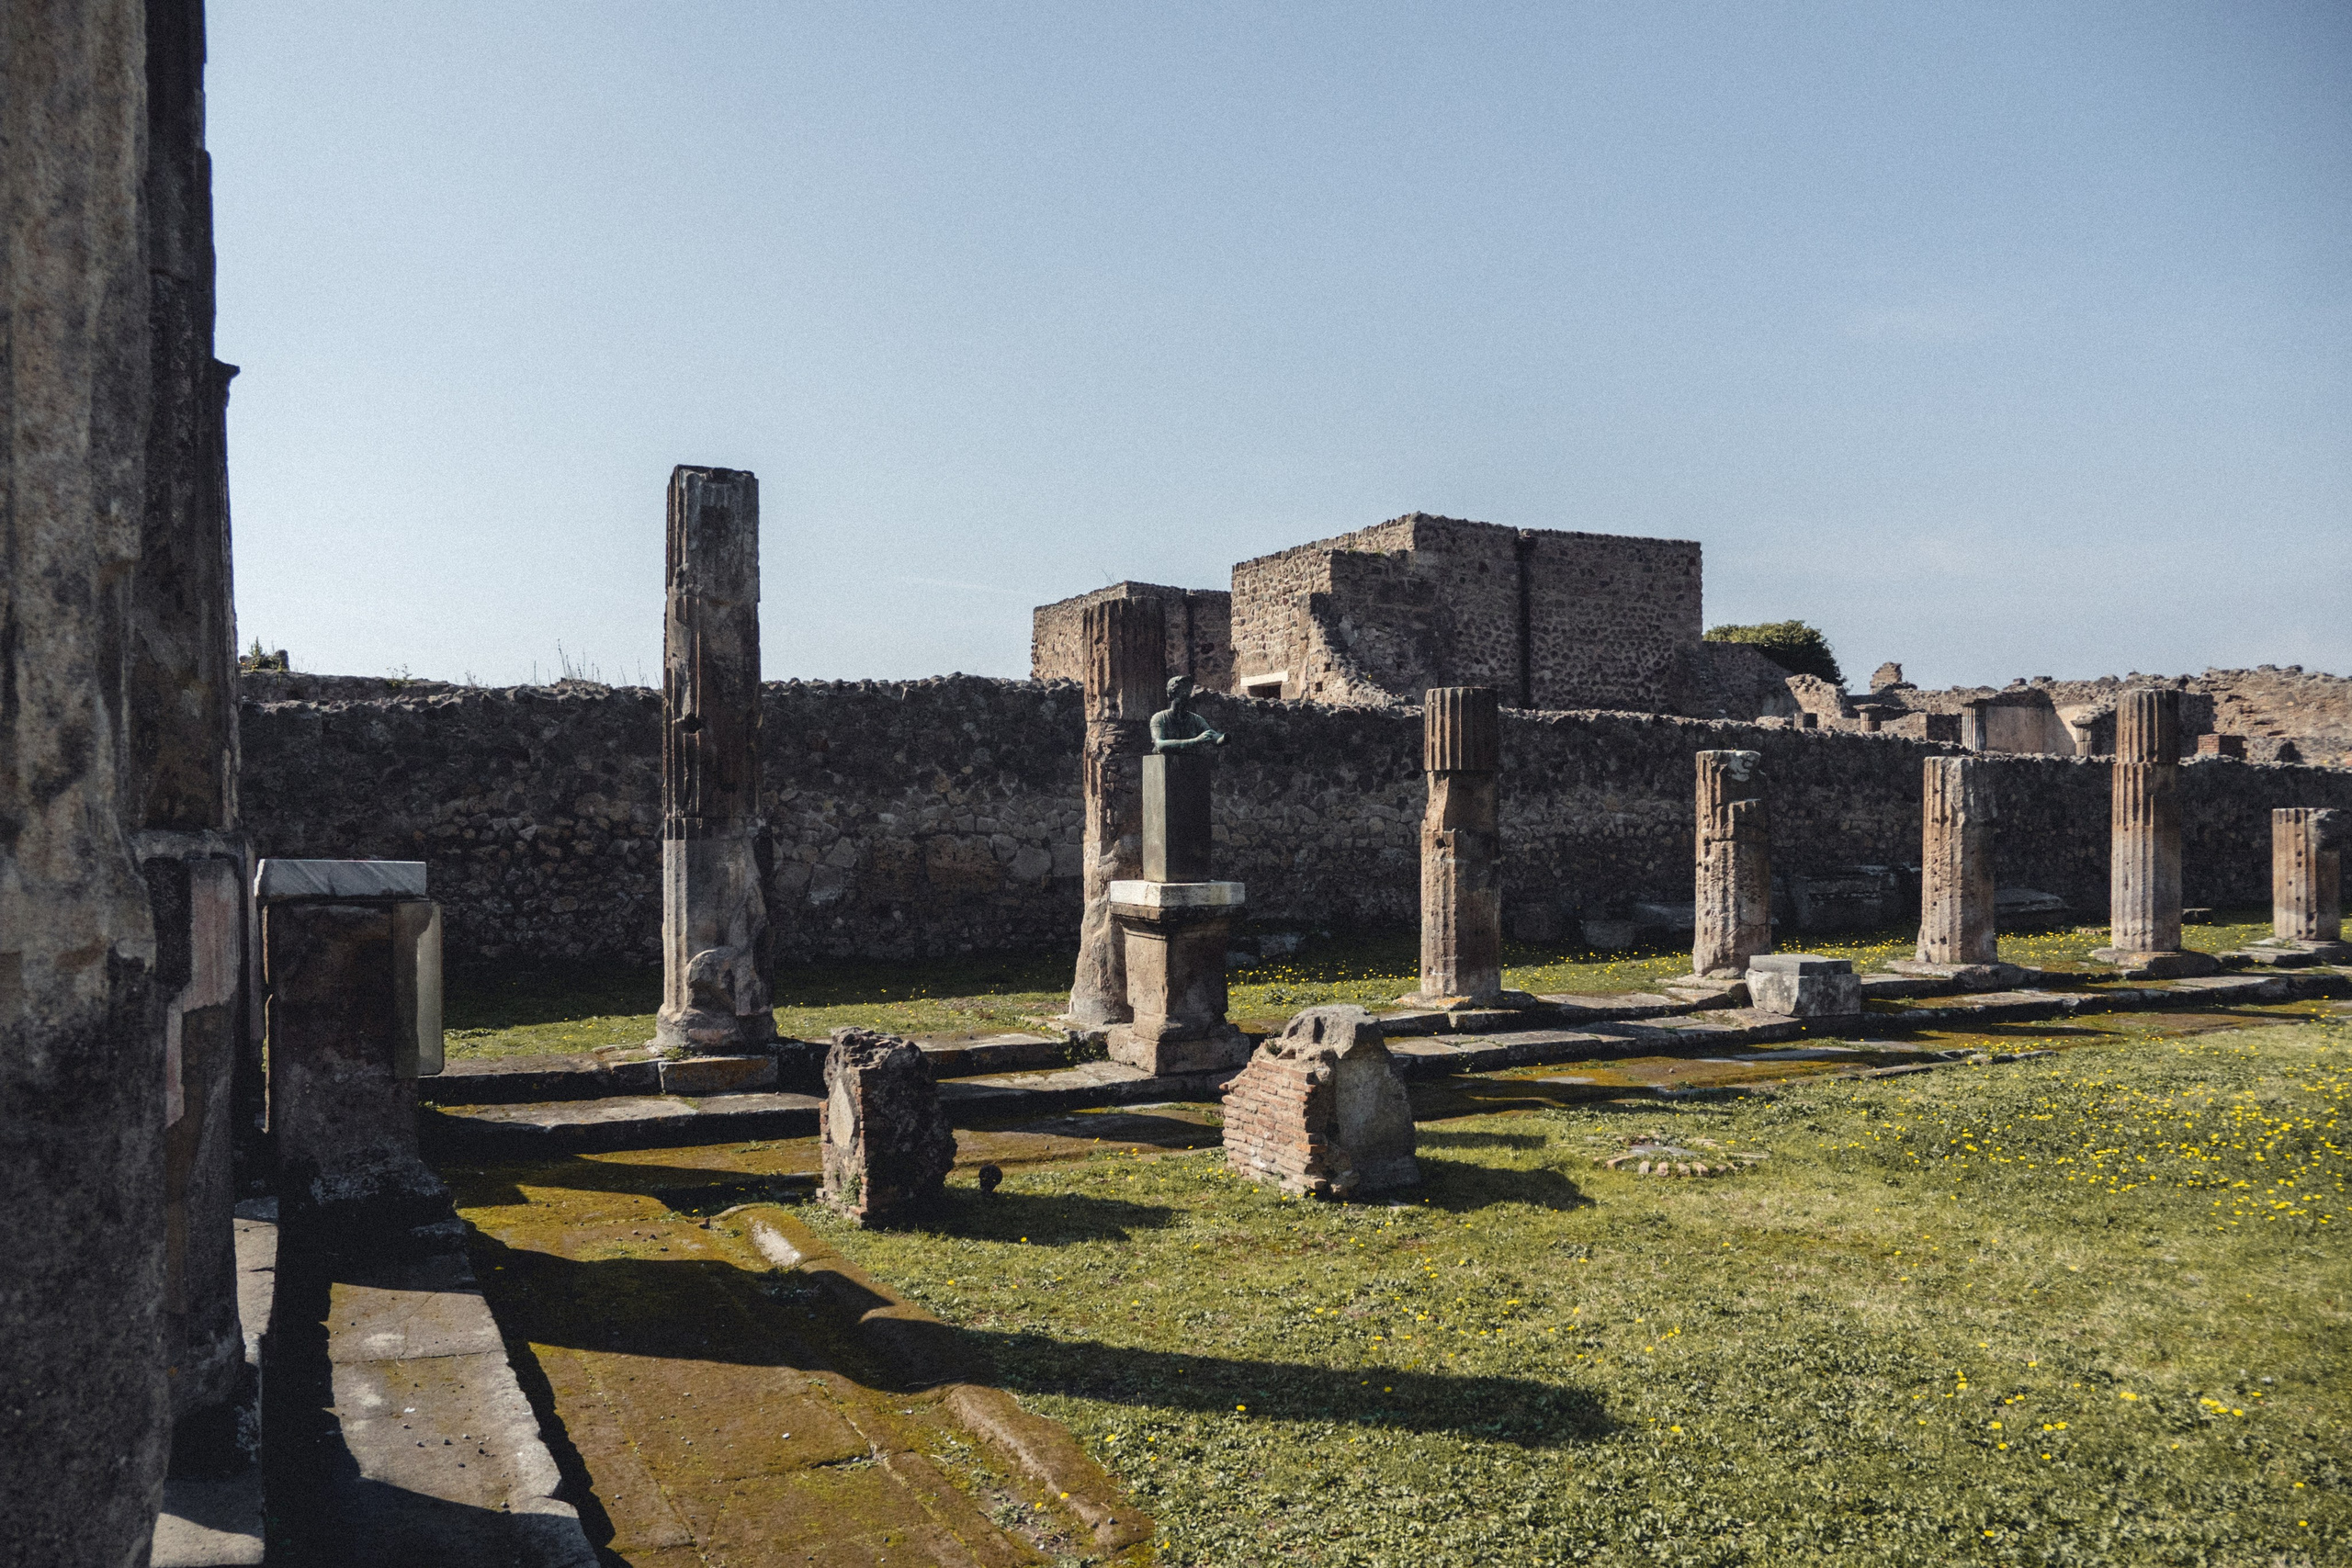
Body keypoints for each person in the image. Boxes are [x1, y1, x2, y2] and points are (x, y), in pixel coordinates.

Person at [1149, 675, 1227, 753]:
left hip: (1188, 762)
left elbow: (1212, 735)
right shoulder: (1159, 718)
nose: (1187, 695)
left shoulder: (1196, 719)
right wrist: (1196, 740)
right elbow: (1159, 745)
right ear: (1172, 694)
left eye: (1188, 691)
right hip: (1165, 762)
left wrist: (1221, 738)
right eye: (1182, 691)